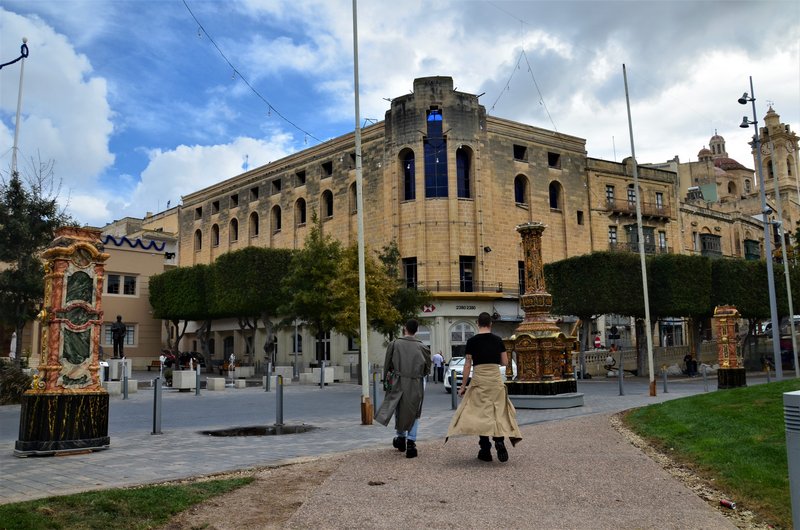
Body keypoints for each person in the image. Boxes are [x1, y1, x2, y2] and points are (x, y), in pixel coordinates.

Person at [446, 312, 522, 462]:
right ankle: (499, 440)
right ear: (491, 324)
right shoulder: (498, 340)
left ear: (477, 323)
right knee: (497, 412)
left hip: (479, 379)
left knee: (480, 414)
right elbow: (505, 362)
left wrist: (462, 386)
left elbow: (467, 364)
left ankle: (485, 449)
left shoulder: (472, 341)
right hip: (494, 379)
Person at [374, 319, 431, 459]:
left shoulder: (394, 344)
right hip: (415, 382)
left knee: (398, 408)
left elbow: (387, 365)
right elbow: (427, 369)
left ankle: (401, 438)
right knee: (414, 411)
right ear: (416, 330)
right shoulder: (423, 347)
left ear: (405, 328)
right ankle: (411, 443)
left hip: (398, 380)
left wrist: (386, 383)